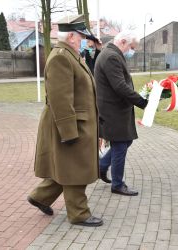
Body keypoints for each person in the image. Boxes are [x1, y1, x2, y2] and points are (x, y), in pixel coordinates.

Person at [27, 15, 103, 227]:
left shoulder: (70, 55)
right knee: (75, 167)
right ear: (71, 36)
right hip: (69, 124)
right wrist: (69, 132)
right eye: (81, 37)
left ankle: (40, 196)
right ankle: (79, 213)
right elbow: (61, 100)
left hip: (77, 122)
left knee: (66, 165)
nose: (83, 41)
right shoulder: (61, 57)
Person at [94, 30, 148, 196]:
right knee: (120, 144)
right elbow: (120, 86)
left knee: (126, 141)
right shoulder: (111, 56)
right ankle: (117, 184)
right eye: (131, 47)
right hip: (113, 110)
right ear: (123, 42)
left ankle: (102, 166)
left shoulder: (110, 53)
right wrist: (142, 102)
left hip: (115, 109)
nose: (131, 51)